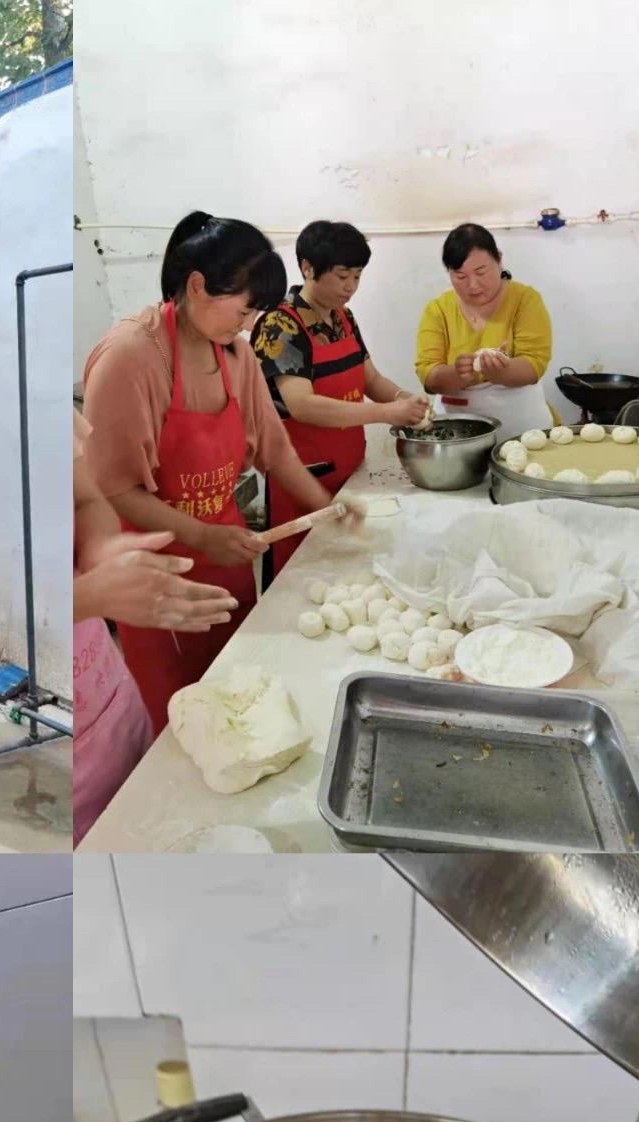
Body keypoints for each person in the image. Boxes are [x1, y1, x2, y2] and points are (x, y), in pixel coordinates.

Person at [82, 211, 360, 734]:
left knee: (245, 701)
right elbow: (114, 487)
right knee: (184, 723)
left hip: (227, 560)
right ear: (197, 286)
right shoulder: (131, 357)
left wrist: (328, 510)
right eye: (244, 308)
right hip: (157, 577)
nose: (249, 324)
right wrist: (201, 535)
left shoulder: (236, 355)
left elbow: (276, 451)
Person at [72, 412, 237, 841]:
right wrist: (86, 596)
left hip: (109, 702)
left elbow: (87, 500)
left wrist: (100, 550)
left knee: (153, 825)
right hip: (51, 753)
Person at [251, 220, 429, 580]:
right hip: (303, 478)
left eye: (358, 277)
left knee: (351, 575)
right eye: (342, 276)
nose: (350, 287)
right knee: (301, 578)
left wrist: (404, 399)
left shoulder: (343, 318)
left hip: (350, 470)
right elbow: (303, 405)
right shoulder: (280, 325)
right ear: (307, 268)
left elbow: (371, 379)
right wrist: (386, 412)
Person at [415, 222, 555, 443]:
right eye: (460, 276)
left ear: (499, 260)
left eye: (481, 272)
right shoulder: (438, 310)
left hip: (523, 432)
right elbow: (429, 376)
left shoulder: (525, 300)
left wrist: (500, 371)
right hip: (458, 438)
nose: (473, 285)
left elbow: (534, 364)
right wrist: (458, 374)